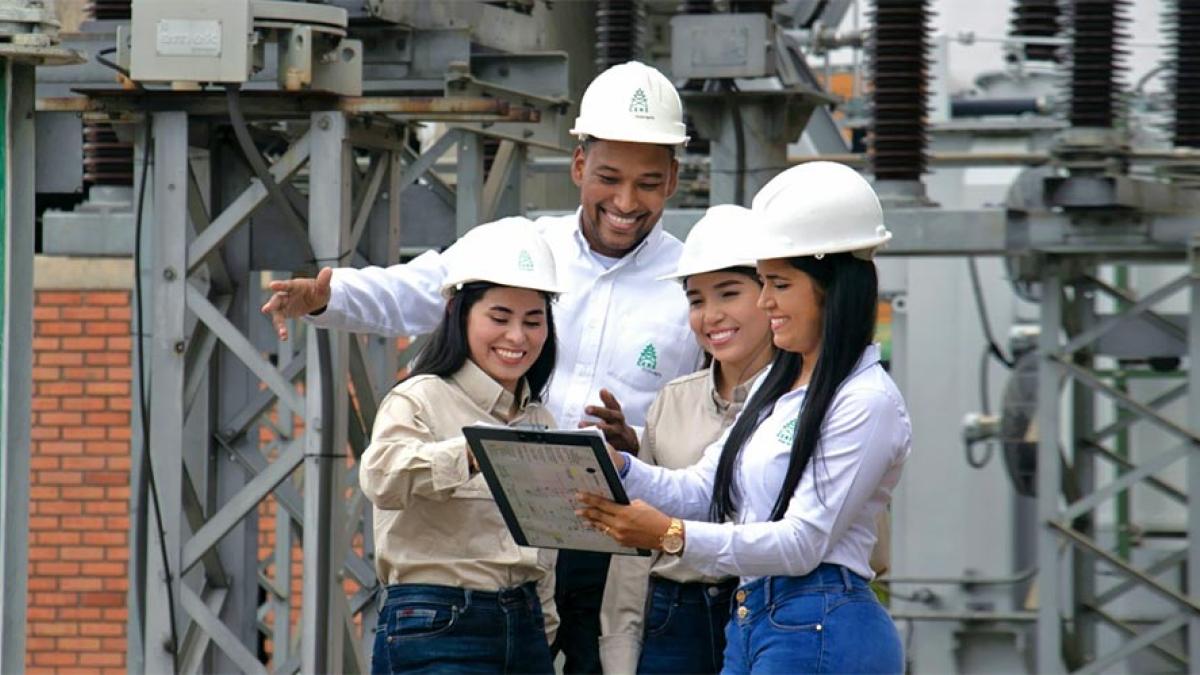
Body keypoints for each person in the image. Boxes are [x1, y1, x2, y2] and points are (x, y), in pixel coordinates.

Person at [263, 61, 703, 673]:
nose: (626, 202)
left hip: (615, 541)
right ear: (579, 166)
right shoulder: (522, 247)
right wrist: (328, 296)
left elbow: (713, 412)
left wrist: (640, 445)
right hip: (502, 531)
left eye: (649, 184)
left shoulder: (692, 284)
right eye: (608, 177)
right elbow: (416, 289)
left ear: (674, 179)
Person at [578, 161, 911, 674]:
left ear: (829, 288)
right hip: (759, 619)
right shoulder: (781, 392)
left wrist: (670, 535)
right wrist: (619, 468)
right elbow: (706, 489)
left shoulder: (864, 401)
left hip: (819, 620)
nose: (765, 301)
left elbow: (802, 543)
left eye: (778, 283)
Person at [360, 222, 565, 673]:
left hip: (525, 626)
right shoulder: (420, 397)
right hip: (436, 620)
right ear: (459, 313)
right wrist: (474, 452)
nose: (518, 337)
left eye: (534, 321)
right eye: (499, 317)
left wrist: (544, 627)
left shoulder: (540, 421)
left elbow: (544, 544)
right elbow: (381, 476)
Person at [597, 204, 774, 675]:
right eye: (696, 300)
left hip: (771, 611)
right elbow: (635, 547)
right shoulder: (671, 402)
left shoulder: (807, 401)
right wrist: (620, 651)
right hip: (674, 617)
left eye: (729, 293)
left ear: (771, 294)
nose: (710, 315)